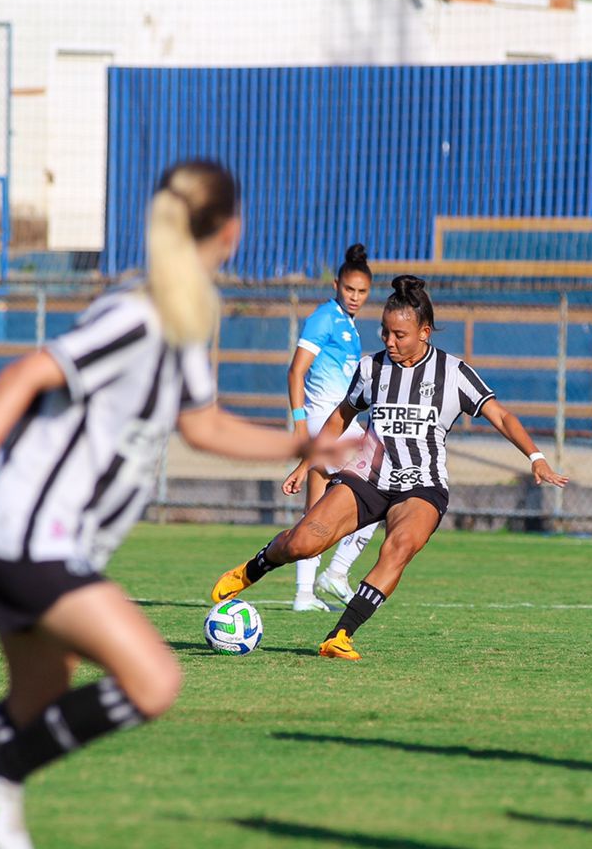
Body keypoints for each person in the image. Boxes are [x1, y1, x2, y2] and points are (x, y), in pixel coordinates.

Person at [0, 159, 341, 849]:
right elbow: (25, 374)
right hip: (29, 531)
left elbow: (203, 426)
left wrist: (302, 443)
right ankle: (4, 775)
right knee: (153, 682)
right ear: (232, 232)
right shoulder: (137, 313)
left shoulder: (184, 317)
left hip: (39, 536)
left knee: (36, 698)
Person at [209, 275, 569, 661]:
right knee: (302, 543)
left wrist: (536, 458)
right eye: (384, 332)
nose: (389, 341)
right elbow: (339, 418)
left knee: (397, 548)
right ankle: (254, 568)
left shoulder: (454, 372)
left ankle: (340, 635)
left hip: (422, 486)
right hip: (367, 477)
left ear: (424, 332)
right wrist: (306, 463)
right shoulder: (371, 369)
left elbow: (501, 415)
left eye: (399, 334)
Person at [285, 244, 381, 611]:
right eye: (349, 290)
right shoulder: (324, 318)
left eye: (362, 292)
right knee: (381, 493)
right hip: (328, 426)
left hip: (341, 425)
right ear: (336, 284)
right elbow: (295, 371)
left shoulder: (349, 326)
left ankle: (305, 593)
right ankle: (336, 573)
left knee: (317, 510)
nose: (355, 297)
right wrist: (299, 425)